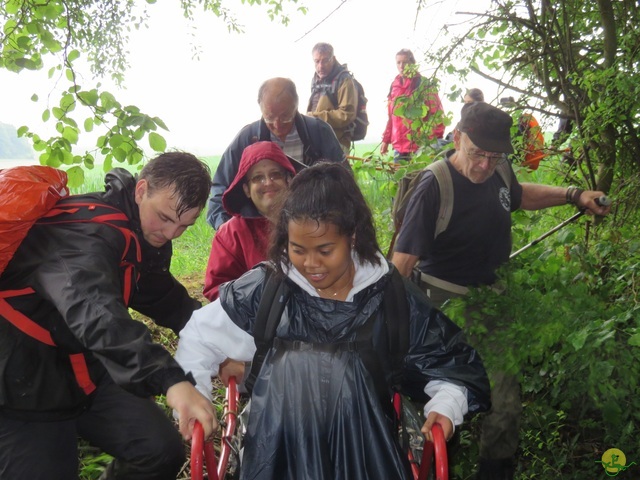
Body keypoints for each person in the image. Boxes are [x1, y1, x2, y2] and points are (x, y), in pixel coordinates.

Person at [175, 162, 491, 480]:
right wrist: (193, 393)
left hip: (366, 453)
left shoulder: (388, 294)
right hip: (277, 455)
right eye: (297, 249)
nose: (311, 264)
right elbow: (199, 336)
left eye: (325, 250)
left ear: (352, 237)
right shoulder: (268, 290)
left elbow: (452, 365)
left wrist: (447, 405)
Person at [391, 101, 611, 479]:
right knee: (451, 396)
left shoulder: (498, 169)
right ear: (458, 138)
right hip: (443, 304)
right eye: (477, 154)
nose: (484, 165)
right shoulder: (434, 185)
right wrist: (386, 322)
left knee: (504, 400)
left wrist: (574, 194)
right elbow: (402, 264)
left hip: (490, 301)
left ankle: (494, 471)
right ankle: (434, 460)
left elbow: (519, 195)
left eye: (494, 157)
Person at [0, 152, 219, 480]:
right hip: (24, 379)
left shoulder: (140, 231)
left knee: (158, 450)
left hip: (85, 365)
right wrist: (170, 379)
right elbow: (95, 313)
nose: (171, 233)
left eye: (184, 226)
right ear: (142, 189)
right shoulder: (84, 233)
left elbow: (163, 297)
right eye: (165, 217)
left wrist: (219, 339)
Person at [207, 77, 345, 230]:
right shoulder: (247, 138)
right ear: (261, 108)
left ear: (296, 106)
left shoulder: (318, 132)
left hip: (312, 222)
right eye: (270, 117)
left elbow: (344, 183)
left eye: (285, 116)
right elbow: (220, 187)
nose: (277, 125)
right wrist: (223, 225)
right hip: (259, 225)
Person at [203, 141, 298, 301]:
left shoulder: (311, 219)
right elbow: (217, 290)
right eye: (258, 178)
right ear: (247, 190)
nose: (268, 182)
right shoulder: (231, 234)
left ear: (288, 181)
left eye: (275, 174)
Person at [380, 48, 445, 162]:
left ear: (412, 64)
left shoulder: (423, 84)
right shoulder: (394, 86)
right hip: (399, 148)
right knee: (401, 179)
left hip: (419, 147)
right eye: (398, 62)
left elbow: (437, 116)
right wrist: (386, 140)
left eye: (405, 62)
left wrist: (431, 144)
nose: (401, 66)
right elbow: (392, 117)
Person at [307, 42, 358, 153]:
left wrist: (314, 118)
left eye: (325, 60)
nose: (321, 66)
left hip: (337, 142)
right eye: (317, 61)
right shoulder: (315, 78)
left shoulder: (344, 80)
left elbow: (347, 115)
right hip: (316, 140)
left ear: (333, 59)